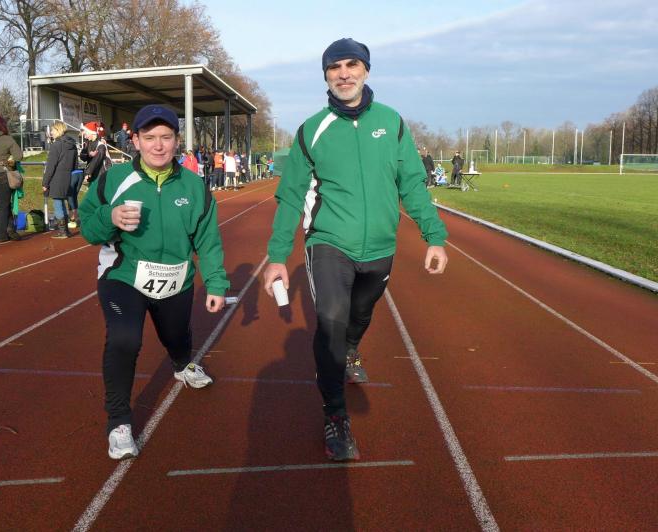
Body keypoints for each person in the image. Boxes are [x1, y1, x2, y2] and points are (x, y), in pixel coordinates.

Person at [262, 38, 448, 461]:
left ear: (366, 70)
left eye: (352, 65)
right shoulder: (312, 130)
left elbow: (411, 184)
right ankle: (335, 415)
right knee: (331, 320)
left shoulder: (392, 122)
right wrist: (277, 257)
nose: (344, 74)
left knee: (359, 315)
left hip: (380, 247)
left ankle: (350, 348)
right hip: (330, 242)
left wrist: (434, 236)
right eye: (335, 67)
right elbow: (290, 197)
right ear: (325, 75)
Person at [79, 104, 229, 460]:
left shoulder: (195, 186)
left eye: (166, 137)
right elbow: (87, 227)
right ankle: (118, 422)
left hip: (175, 280)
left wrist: (216, 283)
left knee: (176, 338)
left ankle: (182, 364)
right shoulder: (114, 180)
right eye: (150, 138)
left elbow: (207, 240)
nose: (158, 145)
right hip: (123, 276)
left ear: (177, 141)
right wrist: (110, 216)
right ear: (135, 141)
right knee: (124, 338)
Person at [42, 121, 78, 239]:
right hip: (68, 177)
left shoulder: (56, 145)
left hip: (57, 178)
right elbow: (75, 164)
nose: (51, 132)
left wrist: (45, 182)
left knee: (58, 204)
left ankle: (63, 231)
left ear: (58, 130)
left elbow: (51, 166)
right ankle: (65, 230)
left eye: (52, 130)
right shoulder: (72, 145)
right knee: (62, 202)